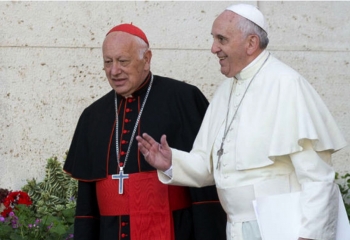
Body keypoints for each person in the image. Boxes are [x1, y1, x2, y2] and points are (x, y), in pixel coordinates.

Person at [136, 4, 348, 240]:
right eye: (214, 39)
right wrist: (171, 162)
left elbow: (317, 177)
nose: (213, 48)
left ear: (251, 43)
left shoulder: (286, 85)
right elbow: (210, 167)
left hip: (285, 227)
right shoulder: (225, 92)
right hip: (236, 228)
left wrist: (310, 236)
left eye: (222, 39)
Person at [63, 23, 227, 240]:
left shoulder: (183, 99)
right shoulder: (92, 116)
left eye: (123, 61)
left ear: (147, 59)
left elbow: (206, 191)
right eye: (107, 62)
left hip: (174, 230)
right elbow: (86, 207)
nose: (114, 71)